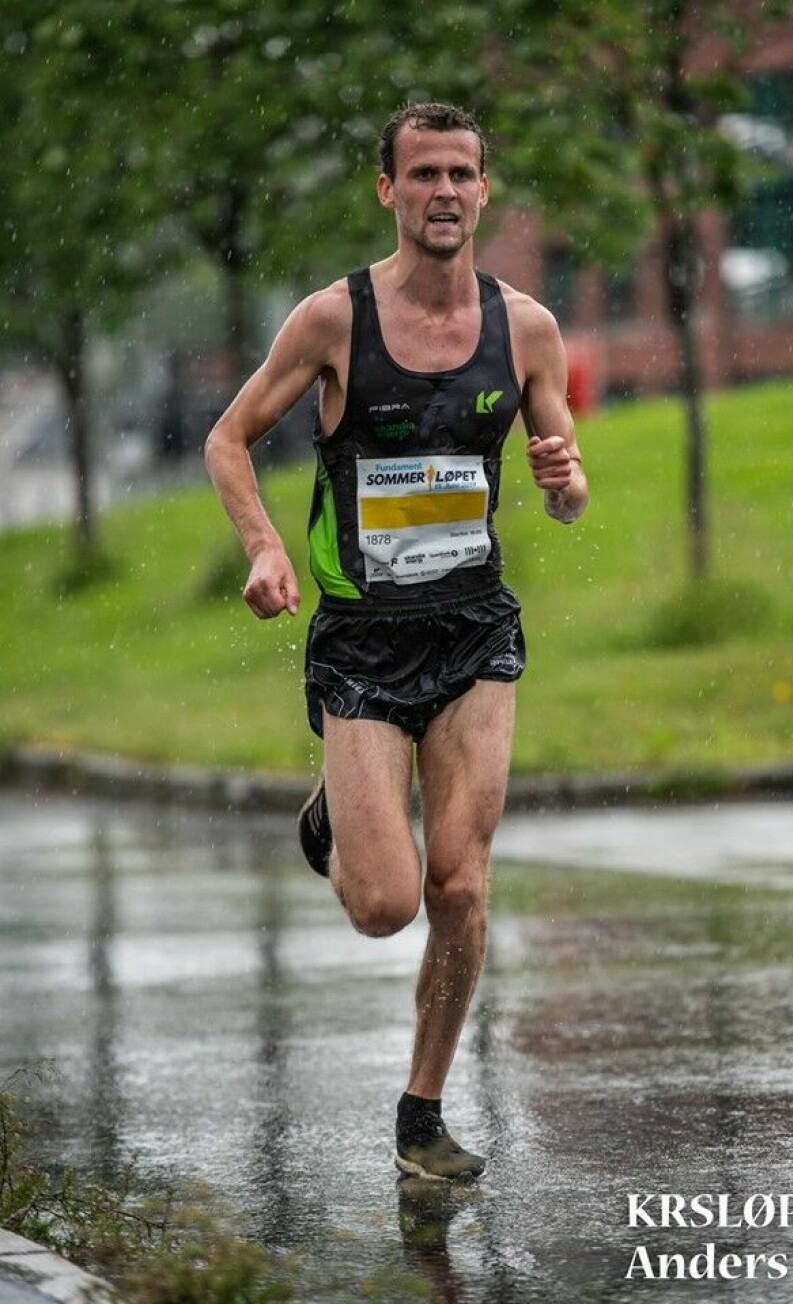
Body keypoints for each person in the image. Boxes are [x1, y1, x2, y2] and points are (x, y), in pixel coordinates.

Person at [205, 102, 588, 1182]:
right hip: (362, 644)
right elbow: (228, 438)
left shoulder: (529, 329)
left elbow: (567, 490)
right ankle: (335, 813)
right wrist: (264, 547)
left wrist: (565, 481)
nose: (444, 192)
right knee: (385, 905)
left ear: (485, 190)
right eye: (423, 174)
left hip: (474, 632)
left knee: (459, 885)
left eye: (461, 173)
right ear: (388, 191)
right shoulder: (334, 320)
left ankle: (422, 1111)